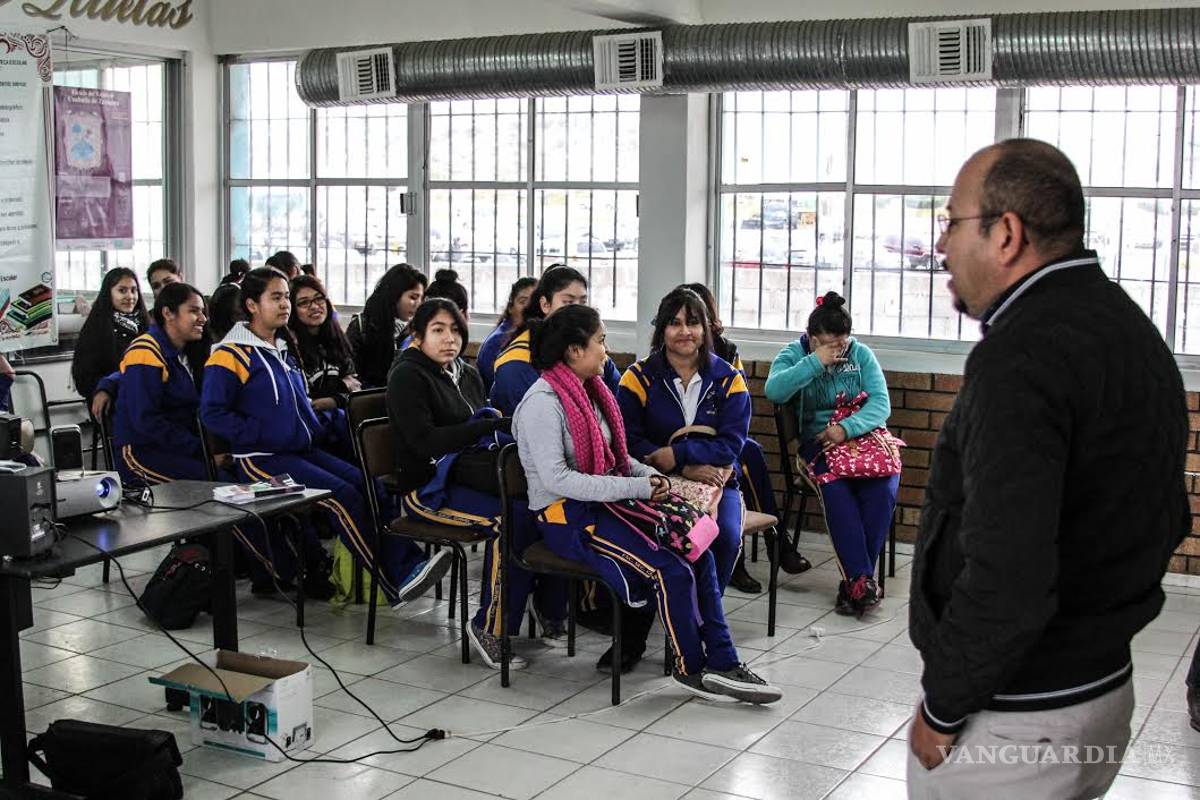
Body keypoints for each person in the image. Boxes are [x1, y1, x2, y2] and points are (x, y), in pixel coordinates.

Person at [906, 139, 1188, 799]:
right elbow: (1169, 517)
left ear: (1006, 234)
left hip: (1017, 720)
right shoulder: (1127, 327)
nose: (942, 247)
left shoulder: (1022, 358)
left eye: (951, 222)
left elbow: (1008, 573)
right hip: (1098, 692)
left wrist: (943, 709)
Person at [513, 304, 781, 704]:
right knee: (668, 567)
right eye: (600, 342)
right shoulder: (543, 402)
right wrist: (637, 489)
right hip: (567, 517)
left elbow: (616, 458)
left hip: (607, 504)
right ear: (573, 351)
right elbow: (558, 481)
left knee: (698, 548)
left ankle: (724, 660)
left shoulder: (590, 392)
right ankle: (691, 668)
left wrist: (646, 478)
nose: (606, 351)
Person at [200, 267, 452, 609]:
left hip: (300, 450)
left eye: (286, 296)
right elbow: (213, 413)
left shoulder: (281, 348)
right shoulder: (229, 354)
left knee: (369, 484)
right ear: (252, 305)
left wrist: (308, 427)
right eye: (276, 297)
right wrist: (261, 435)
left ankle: (410, 563)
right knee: (342, 496)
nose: (285, 304)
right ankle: (394, 577)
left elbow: (298, 404)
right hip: (262, 459)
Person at [387, 298, 567, 669]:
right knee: (508, 523)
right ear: (418, 336)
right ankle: (489, 627)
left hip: (464, 476)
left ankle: (543, 608)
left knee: (535, 510)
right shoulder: (407, 374)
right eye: (438, 330)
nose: (449, 339)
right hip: (426, 489)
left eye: (455, 330)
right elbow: (424, 442)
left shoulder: (464, 372)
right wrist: (482, 427)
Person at [111, 282, 295, 593]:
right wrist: (203, 451)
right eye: (193, 311)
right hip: (141, 453)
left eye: (203, 312)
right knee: (224, 491)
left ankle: (263, 567)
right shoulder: (146, 351)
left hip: (178, 447)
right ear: (168, 313)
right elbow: (146, 422)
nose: (202, 319)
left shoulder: (188, 352)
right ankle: (276, 570)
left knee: (241, 484)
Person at [764, 291, 897, 617]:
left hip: (863, 440)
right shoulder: (794, 355)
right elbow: (774, 390)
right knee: (836, 488)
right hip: (818, 445)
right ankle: (861, 581)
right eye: (829, 345)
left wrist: (847, 429)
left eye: (843, 344)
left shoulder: (861, 355)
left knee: (884, 485)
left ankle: (856, 581)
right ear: (811, 339)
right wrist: (814, 363)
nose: (839, 351)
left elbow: (881, 404)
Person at [681, 282, 812, 587]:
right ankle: (772, 546)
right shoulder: (667, 353)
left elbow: (737, 406)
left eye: (697, 320)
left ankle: (761, 549)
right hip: (688, 444)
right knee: (746, 456)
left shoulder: (727, 351)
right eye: (681, 321)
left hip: (722, 439)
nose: (688, 330)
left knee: (745, 452)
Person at [618, 287, 749, 593]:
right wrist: (682, 466)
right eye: (674, 323)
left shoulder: (729, 379)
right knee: (654, 538)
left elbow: (732, 444)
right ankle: (668, 609)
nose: (685, 332)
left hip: (717, 483)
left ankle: (704, 615)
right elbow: (628, 439)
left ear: (706, 329)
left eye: (693, 323)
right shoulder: (637, 377)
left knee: (726, 537)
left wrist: (678, 455)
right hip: (654, 483)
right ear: (661, 329)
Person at [490, 265, 621, 417]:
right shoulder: (516, 363)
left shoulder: (592, 352)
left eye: (583, 302)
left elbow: (618, 406)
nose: (577, 310)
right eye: (568, 302)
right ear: (545, 304)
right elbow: (531, 424)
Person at [73, 267, 150, 405]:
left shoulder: (146, 325)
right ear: (108, 293)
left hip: (146, 400)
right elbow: (84, 378)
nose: (130, 296)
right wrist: (106, 388)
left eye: (134, 290)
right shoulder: (97, 327)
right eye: (122, 290)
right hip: (113, 404)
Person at [347, 263, 427, 388]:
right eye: (413, 297)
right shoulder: (362, 326)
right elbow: (352, 374)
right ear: (394, 295)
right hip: (369, 398)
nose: (418, 304)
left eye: (421, 299)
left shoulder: (416, 330)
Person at [288, 275, 360, 411]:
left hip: (342, 422)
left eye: (319, 299)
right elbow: (304, 400)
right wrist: (341, 387)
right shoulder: (290, 346)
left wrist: (333, 400)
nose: (314, 306)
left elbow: (355, 386)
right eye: (304, 303)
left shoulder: (337, 338)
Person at [477, 277, 536, 393]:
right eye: (523, 302)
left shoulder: (528, 336)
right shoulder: (498, 341)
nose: (528, 307)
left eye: (533, 302)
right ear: (510, 307)